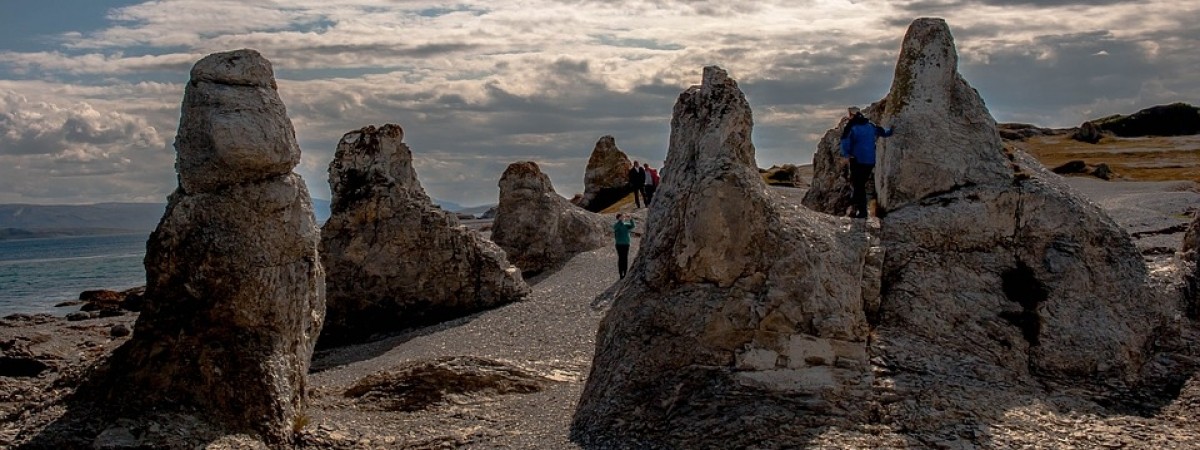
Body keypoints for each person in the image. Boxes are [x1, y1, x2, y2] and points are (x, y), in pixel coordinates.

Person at [839, 106, 894, 218]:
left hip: (857, 160)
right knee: (860, 184)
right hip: (870, 160)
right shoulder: (869, 125)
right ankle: (855, 209)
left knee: (858, 185)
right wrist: (892, 129)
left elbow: (845, 142)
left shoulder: (851, 127)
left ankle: (862, 211)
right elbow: (883, 132)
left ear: (851, 115)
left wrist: (846, 155)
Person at [613, 213, 636, 279]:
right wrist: (620, 221)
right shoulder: (617, 225)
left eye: (623, 217)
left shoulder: (626, 225)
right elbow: (615, 228)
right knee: (621, 258)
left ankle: (625, 273)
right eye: (622, 217)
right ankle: (621, 273)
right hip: (619, 244)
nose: (623, 218)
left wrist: (630, 219)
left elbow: (633, 226)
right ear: (618, 218)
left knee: (625, 258)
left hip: (626, 244)